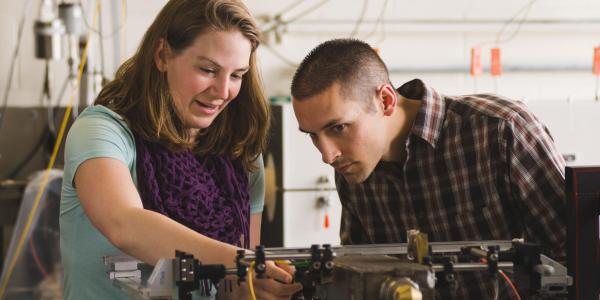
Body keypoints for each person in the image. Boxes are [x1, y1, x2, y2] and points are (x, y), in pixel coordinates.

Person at [59, 0, 302, 299]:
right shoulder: (102, 131)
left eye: (237, 75)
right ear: (162, 55)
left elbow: (233, 287)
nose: (223, 91)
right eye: (208, 69)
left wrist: (254, 286)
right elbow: (124, 224)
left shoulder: (241, 153)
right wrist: (242, 263)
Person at [290, 38, 566, 299]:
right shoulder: (352, 168)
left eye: (338, 128)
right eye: (312, 135)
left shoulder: (501, 130)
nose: (327, 155)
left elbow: (577, 255)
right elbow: (360, 276)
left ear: (385, 101)